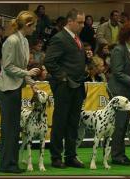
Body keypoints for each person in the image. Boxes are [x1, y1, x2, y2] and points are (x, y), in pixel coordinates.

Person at [44, 8, 91, 169]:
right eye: (79, 22)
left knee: (73, 123)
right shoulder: (59, 38)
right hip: (64, 86)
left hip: (77, 85)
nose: (82, 25)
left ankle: (71, 155)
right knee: (60, 122)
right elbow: (49, 62)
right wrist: (63, 77)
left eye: (83, 22)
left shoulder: (77, 38)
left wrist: (87, 59)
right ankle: (56, 157)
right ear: (69, 21)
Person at [0, 10, 40, 173]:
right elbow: (7, 67)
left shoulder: (24, 41)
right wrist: (27, 74)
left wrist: (32, 83)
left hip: (15, 88)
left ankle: (10, 164)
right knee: (9, 128)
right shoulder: (12, 40)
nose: (35, 29)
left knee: (14, 128)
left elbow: (21, 68)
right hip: (6, 89)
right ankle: (7, 165)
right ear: (28, 25)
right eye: (34, 26)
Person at [107, 21, 130, 165]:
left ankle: (120, 153)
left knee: (123, 124)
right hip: (118, 92)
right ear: (126, 35)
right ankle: (116, 155)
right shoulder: (118, 50)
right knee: (119, 124)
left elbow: (127, 71)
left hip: (128, 92)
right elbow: (118, 72)